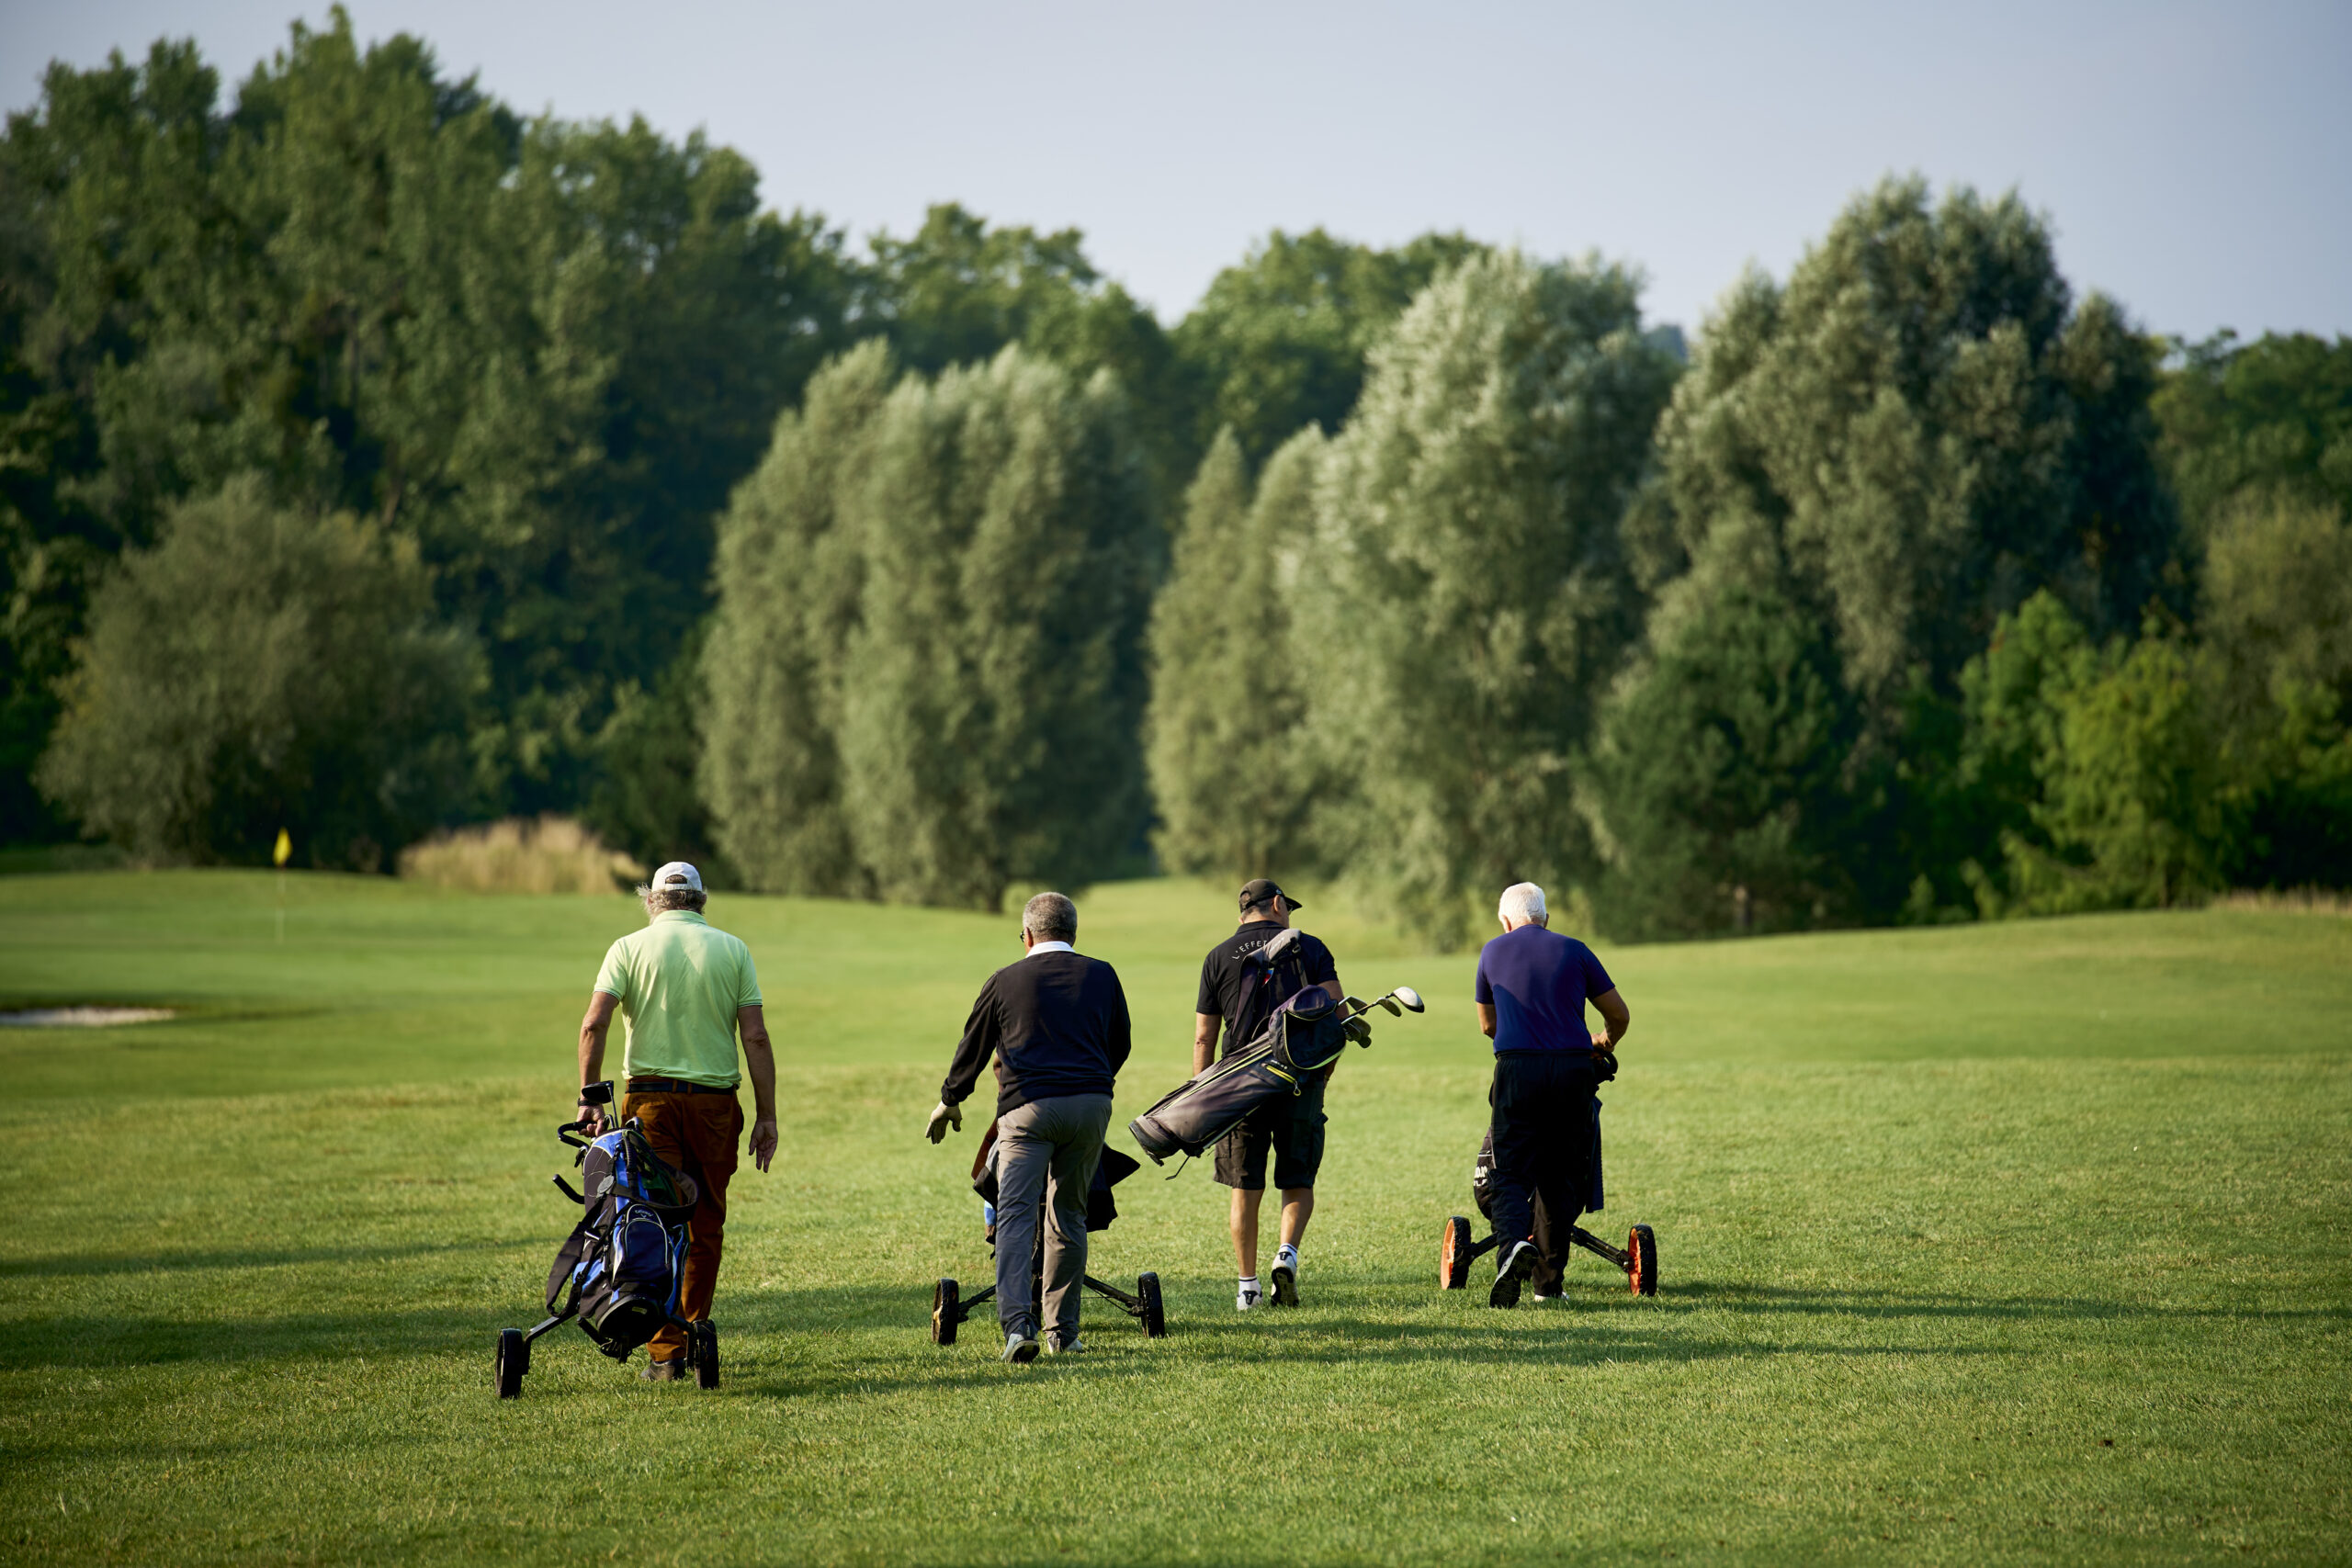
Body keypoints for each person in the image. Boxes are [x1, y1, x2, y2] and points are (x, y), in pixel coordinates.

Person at [574, 862, 779, 1379]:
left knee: (655, 1216)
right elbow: (754, 1037)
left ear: (652, 901)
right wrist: (767, 1116)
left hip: (648, 1106)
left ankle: (666, 1353)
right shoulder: (734, 950)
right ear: (701, 901)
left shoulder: (627, 948)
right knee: (704, 1222)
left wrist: (589, 1097)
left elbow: (594, 1022)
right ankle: (692, 1331)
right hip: (714, 1106)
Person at [928, 891, 1132, 1363]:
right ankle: (1063, 1331)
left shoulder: (1005, 980)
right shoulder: (1103, 975)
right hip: (1090, 1106)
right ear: (1073, 934)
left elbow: (973, 1047)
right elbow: (1120, 1042)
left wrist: (950, 1100)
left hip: (1026, 1111)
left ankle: (1019, 1328)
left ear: (1026, 936)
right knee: (1069, 1215)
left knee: (1016, 1217)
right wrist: (1093, 1083)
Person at [1474, 881, 1630, 1308]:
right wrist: (1603, 1041)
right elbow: (1618, 1014)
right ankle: (1547, 1286)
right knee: (1561, 1175)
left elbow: (1488, 1026)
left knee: (1509, 1173)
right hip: (1571, 1069)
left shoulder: (1491, 951)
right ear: (1546, 917)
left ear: (1506, 921)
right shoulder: (1575, 949)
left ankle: (1512, 1250)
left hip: (1517, 1069)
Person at [1193, 878, 1344, 1310]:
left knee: (1245, 1187)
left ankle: (1247, 1288)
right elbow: (1338, 1016)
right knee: (1298, 1177)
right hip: (1301, 1079)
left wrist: (1204, 1099)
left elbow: (1204, 1039)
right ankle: (1286, 1254)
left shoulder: (1217, 956)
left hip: (1239, 1090)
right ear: (1278, 904)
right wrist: (1323, 1074)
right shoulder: (1311, 948)